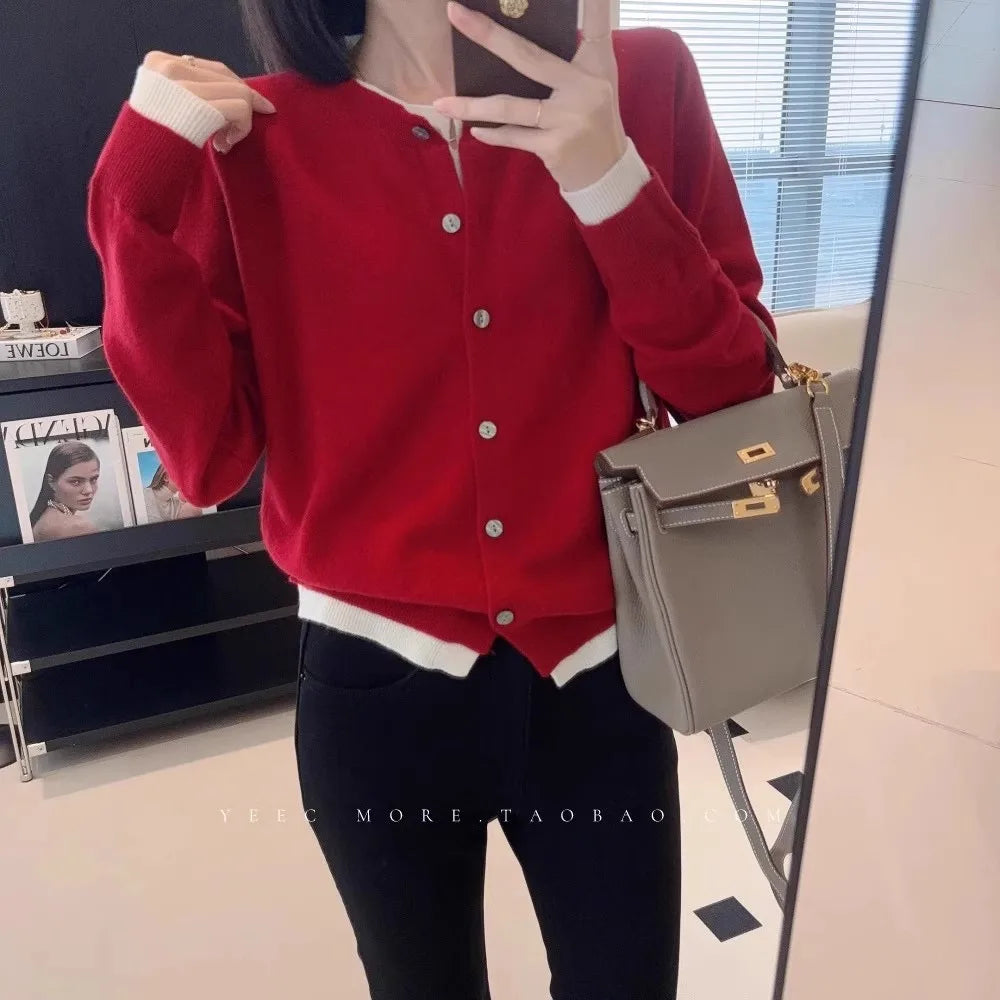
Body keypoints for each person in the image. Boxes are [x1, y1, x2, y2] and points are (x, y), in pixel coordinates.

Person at [87, 1, 776, 996]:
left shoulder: (644, 83)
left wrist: (607, 176)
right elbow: (207, 460)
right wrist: (131, 188)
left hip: (599, 682)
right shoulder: (255, 133)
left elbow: (733, 393)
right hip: (375, 694)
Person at [28, 441, 101, 542]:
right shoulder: (79, 527)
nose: (89, 490)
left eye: (93, 479)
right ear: (51, 482)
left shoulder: (44, 517)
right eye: (76, 482)